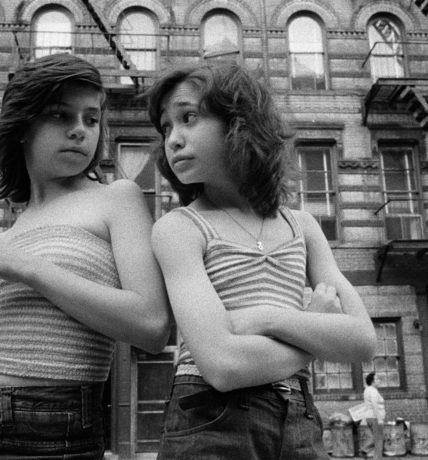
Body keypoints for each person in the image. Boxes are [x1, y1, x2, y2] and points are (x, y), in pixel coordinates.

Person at [146, 62, 377, 460]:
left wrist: (266, 318)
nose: (174, 139)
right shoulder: (180, 228)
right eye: (166, 127)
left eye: (188, 118)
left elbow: (362, 341)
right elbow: (223, 365)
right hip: (211, 417)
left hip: (300, 417)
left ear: (240, 123)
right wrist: (314, 327)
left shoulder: (301, 226)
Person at [0, 53, 170, 458]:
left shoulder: (116, 198)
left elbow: (152, 325)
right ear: (23, 125)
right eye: (61, 116)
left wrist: (26, 267)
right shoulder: (14, 226)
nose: (80, 130)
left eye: (91, 119)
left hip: (54, 426)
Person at [362, 372, 386, 459]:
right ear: (372, 381)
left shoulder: (367, 390)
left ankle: (365, 449)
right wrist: (379, 418)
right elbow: (374, 404)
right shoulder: (373, 391)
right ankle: (377, 458)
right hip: (375, 418)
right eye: (377, 379)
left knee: (376, 438)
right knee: (379, 440)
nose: (379, 380)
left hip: (369, 417)